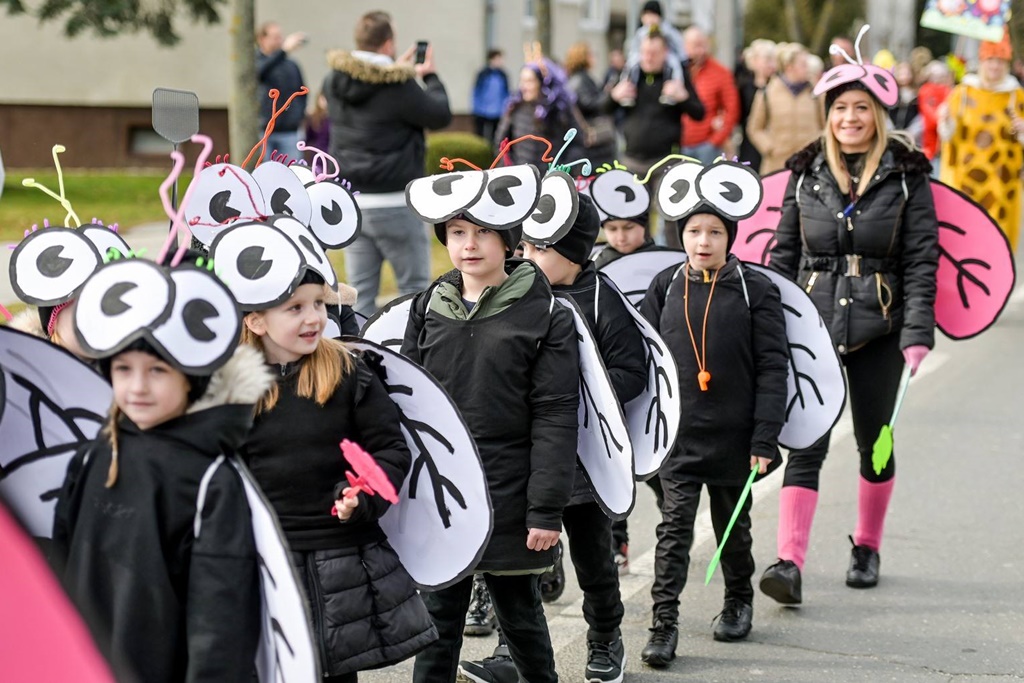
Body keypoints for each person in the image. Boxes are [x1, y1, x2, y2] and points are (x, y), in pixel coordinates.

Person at [760, 50, 938, 606]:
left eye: (861, 108)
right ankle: (789, 562)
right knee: (805, 442)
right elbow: (783, 255)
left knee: (874, 442)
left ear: (877, 115)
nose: (850, 118)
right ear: (829, 115)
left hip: (880, 330)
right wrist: (770, 326)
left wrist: (916, 332)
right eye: (840, 108)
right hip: (813, 327)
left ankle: (867, 546)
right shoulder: (805, 172)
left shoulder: (907, 176)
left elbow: (922, 259)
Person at [51, 256, 270, 683]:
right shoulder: (94, 456)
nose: (137, 387)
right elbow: (59, 568)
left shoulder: (210, 479)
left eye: (157, 370)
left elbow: (221, 619)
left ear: (190, 377)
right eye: (123, 369)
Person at [402, 170, 580, 683]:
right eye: (458, 232)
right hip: (444, 490)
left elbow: (555, 414)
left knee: (519, 615)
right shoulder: (427, 307)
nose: (469, 244)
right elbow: (408, 405)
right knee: (437, 621)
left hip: (510, 488)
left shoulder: (547, 315)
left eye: (483, 232)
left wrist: (545, 509)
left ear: (508, 240)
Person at [463, 195, 646, 683]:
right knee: (515, 561)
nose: (526, 256)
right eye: (524, 246)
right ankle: (511, 651)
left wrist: (576, 390)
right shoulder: (513, 292)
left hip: (584, 458)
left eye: (540, 249)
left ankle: (605, 639)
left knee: (594, 559)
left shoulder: (602, 298)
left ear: (575, 254)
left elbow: (633, 371)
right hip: (525, 455)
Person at [239, 268, 437, 682]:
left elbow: (390, 450)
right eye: (295, 308)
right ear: (256, 320)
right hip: (265, 560)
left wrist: (364, 495)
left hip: (343, 559)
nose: (314, 317)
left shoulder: (349, 371)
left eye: (319, 303)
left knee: (338, 671)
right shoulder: (228, 388)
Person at [638, 180, 789, 668]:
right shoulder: (665, 285)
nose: (703, 241)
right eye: (694, 231)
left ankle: (738, 600)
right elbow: (643, 355)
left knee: (733, 529)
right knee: (673, 532)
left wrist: (765, 437)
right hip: (679, 438)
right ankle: (663, 624)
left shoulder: (755, 289)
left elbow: (773, 367)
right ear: (680, 234)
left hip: (735, 438)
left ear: (730, 236)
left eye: (715, 232)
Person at [325, 10, 452, 317]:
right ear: (388, 44)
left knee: (360, 295)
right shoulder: (399, 86)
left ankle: (361, 347)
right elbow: (439, 115)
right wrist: (429, 77)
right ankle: (410, 348)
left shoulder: (334, 81)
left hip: (353, 204)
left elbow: (372, 91)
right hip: (396, 202)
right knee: (414, 291)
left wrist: (396, 69)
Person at [606, 29, 705, 248]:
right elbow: (602, 108)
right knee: (635, 218)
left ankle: (674, 259)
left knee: (671, 215)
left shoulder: (676, 76)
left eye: (654, 53)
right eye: (645, 52)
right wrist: (613, 96)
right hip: (633, 159)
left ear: (665, 52)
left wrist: (683, 97)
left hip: (666, 160)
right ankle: (640, 259)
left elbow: (699, 113)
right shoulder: (630, 74)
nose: (648, 58)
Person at [939, 31, 1024, 250]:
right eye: (990, 60)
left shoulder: (1016, 96)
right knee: (964, 240)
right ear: (982, 61)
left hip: (1001, 183)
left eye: (1000, 61)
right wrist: (945, 119)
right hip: (965, 179)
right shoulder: (963, 92)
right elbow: (948, 136)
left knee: (996, 243)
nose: (995, 66)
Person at [745, 42, 824, 174]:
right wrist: (769, 148)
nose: (808, 69)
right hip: (777, 165)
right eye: (803, 64)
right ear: (789, 67)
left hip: (810, 165)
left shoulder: (816, 94)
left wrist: (817, 147)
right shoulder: (767, 93)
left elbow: (826, 126)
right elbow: (754, 128)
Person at [494, 55, 585, 168]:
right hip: (522, 175)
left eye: (530, 81)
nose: (523, 87)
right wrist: (511, 170)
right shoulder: (514, 108)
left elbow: (578, 143)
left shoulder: (560, 109)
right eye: (522, 81)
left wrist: (562, 169)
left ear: (542, 83)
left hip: (552, 175)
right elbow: (501, 144)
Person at [681, 27, 741, 164]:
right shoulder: (677, 70)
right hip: (680, 143)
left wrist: (715, 140)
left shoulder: (720, 73)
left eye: (704, 45)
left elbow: (732, 110)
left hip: (706, 146)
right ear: (685, 46)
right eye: (696, 46)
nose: (701, 51)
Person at [256, 21, 308, 157]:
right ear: (262, 39)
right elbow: (259, 73)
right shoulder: (255, 61)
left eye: (280, 37)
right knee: (263, 170)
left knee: (292, 168)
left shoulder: (291, 65)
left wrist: (298, 116)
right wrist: (283, 51)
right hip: (263, 130)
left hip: (289, 131)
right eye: (275, 37)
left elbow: (302, 92)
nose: (279, 41)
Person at [566, 41, 618, 167]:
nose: (594, 57)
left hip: (593, 143)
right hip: (593, 141)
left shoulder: (578, 78)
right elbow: (590, 104)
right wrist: (611, 96)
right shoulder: (580, 79)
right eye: (591, 54)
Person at [623, 1, 687, 87]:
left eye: (652, 15)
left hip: (665, 55)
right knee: (632, 63)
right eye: (647, 15)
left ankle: (677, 84)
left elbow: (678, 43)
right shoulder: (641, 32)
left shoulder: (666, 29)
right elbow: (634, 48)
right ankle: (628, 83)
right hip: (644, 56)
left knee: (674, 63)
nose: (650, 18)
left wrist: (683, 58)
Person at [736, 39, 777, 170]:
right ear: (754, 61)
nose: (772, 64)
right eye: (767, 60)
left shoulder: (778, 88)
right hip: (749, 145)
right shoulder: (743, 87)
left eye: (773, 60)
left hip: (773, 146)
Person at [916, 60, 952, 173]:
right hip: (929, 138)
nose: (938, 78)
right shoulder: (925, 90)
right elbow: (928, 112)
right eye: (935, 75)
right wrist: (942, 118)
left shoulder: (948, 90)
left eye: (941, 75)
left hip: (944, 139)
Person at [472, 49, 510, 146]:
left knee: (496, 137)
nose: (501, 61)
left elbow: (506, 93)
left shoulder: (503, 75)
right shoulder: (483, 74)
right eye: (498, 59)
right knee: (480, 136)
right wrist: (477, 107)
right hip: (482, 111)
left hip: (497, 111)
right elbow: (476, 91)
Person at [304, 90, 331, 172]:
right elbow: (308, 138)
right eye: (323, 98)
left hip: (330, 155)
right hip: (316, 154)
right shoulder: (313, 118)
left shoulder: (333, 119)